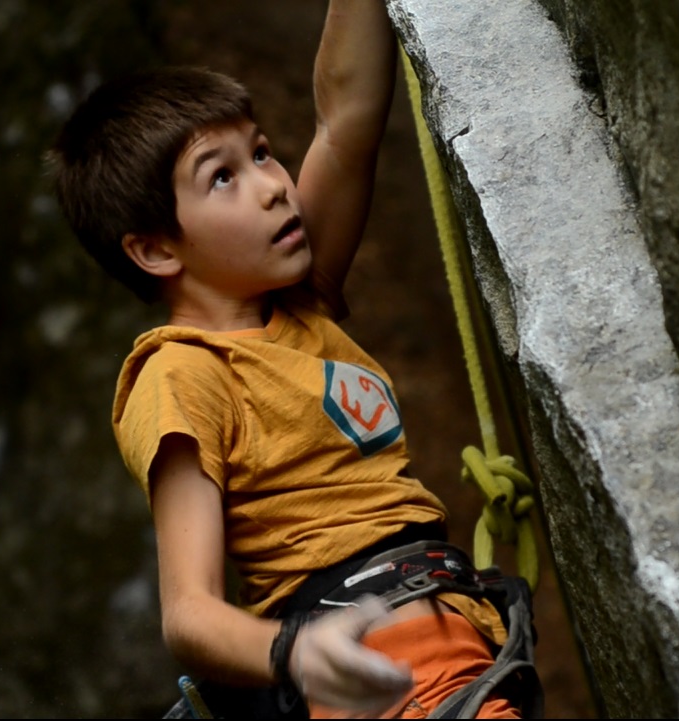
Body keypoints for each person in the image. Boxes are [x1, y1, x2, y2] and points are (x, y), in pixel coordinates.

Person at [48, 1, 535, 718]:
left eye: (263, 152)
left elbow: (345, 121)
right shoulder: (180, 375)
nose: (273, 184)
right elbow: (188, 611)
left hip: (449, 649)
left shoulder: (301, 307)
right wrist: (295, 650)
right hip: (371, 672)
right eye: (222, 177)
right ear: (155, 248)